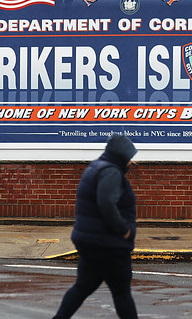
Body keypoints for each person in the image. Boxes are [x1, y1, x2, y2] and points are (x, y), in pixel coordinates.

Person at [53, 134, 139, 319]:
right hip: (109, 245)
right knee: (122, 293)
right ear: (120, 156)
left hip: (92, 242)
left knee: (82, 287)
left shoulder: (95, 167)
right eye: (129, 158)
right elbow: (106, 203)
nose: (131, 163)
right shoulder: (111, 172)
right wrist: (124, 230)